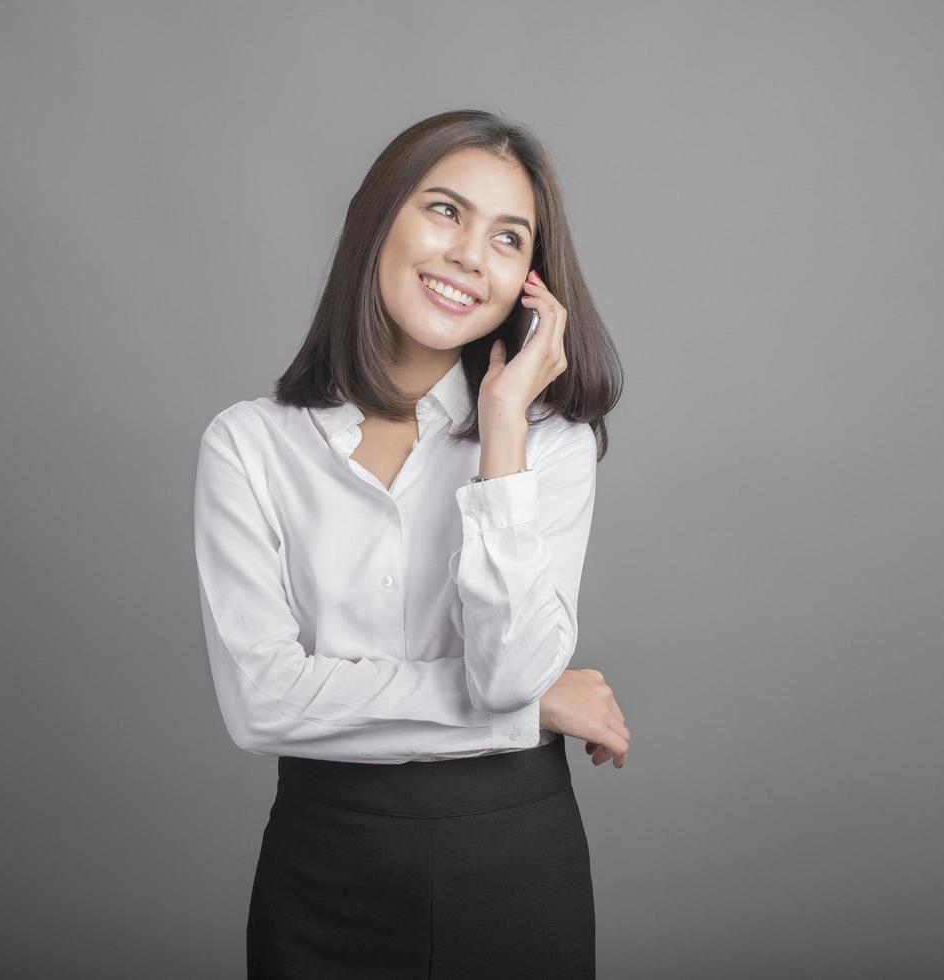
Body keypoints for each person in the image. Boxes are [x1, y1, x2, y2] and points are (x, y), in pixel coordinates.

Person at [193, 108, 629, 979]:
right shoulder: (248, 445)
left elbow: (504, 668)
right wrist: (526, 710)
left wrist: (502, 433)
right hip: (323, 869)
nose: (471, 253)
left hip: (514, 862)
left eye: (508, 238)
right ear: (376, 216)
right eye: (445, 210)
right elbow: (262, 705)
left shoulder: (551, 447)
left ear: (527, 283)